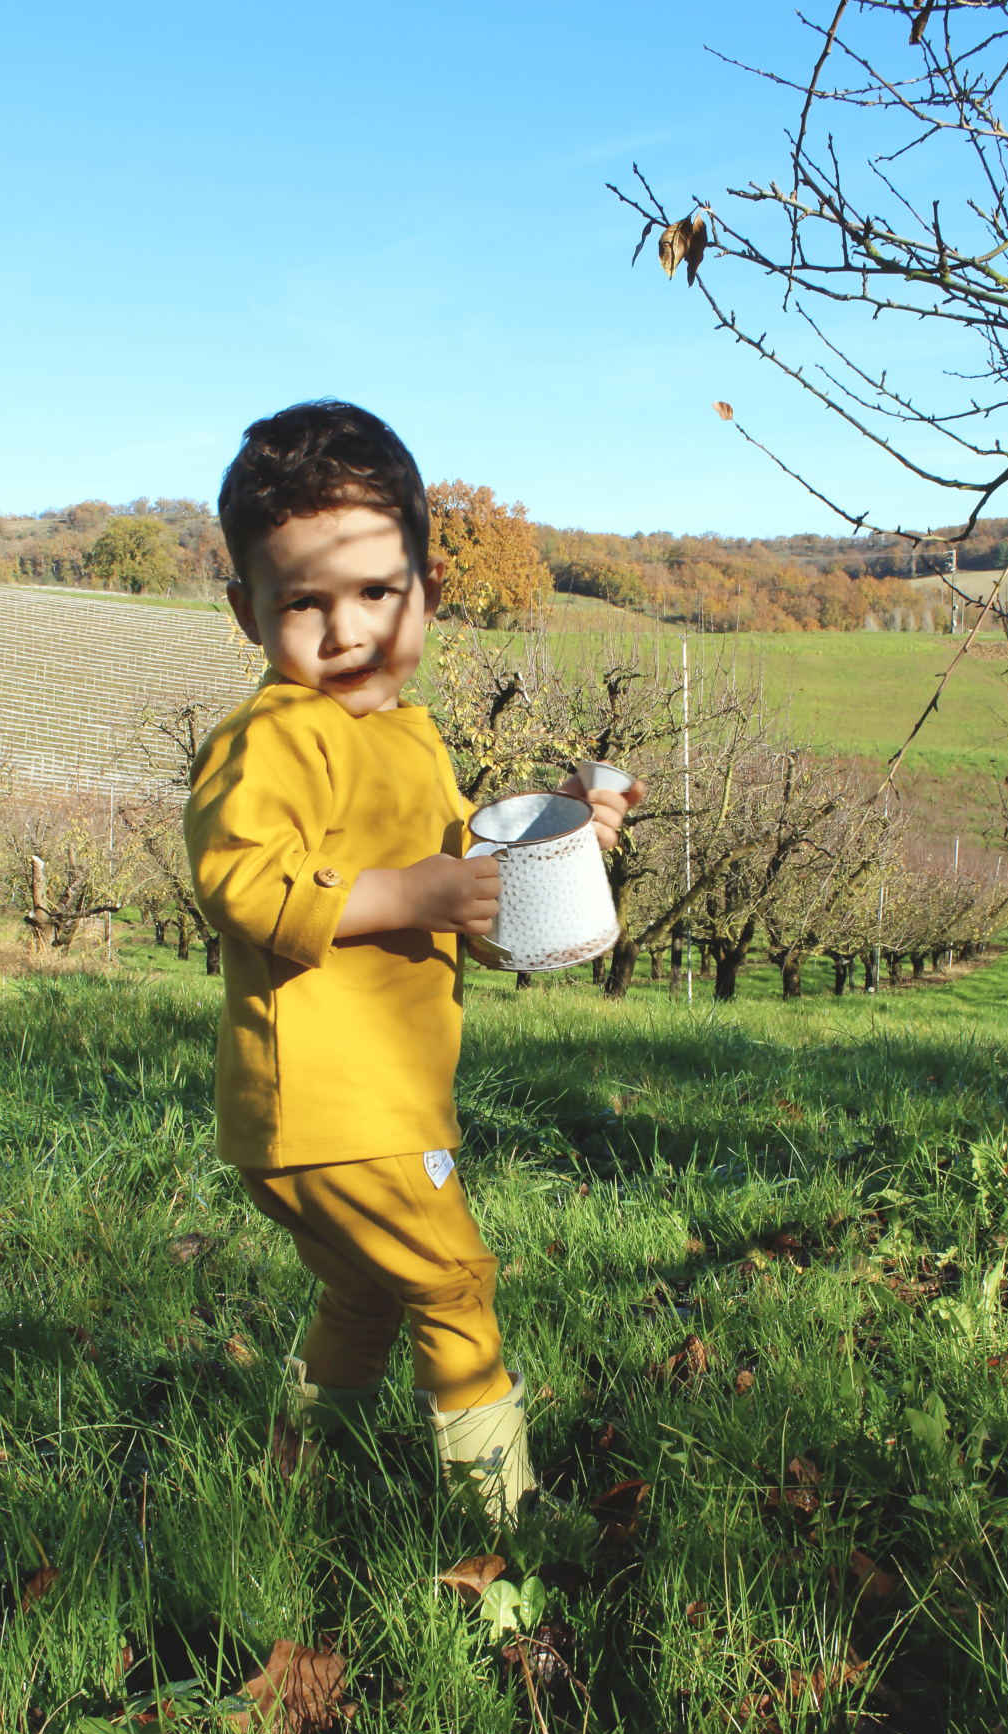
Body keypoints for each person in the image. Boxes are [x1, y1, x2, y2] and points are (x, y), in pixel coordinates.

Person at [184, 400, 642, 1522]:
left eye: (376, 594)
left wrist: (562, 847)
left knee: (364, 1291)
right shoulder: (275, 736)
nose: (346, 631)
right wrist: (410, 891)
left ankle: (300, 1477)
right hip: (330, 1105)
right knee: (452, 1281)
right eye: (305, 602)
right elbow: (239, 877)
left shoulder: (410, 735)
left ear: (428, 591)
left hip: (379, 1099)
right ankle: (506, 1530)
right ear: (249, 613)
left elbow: (466, 906)